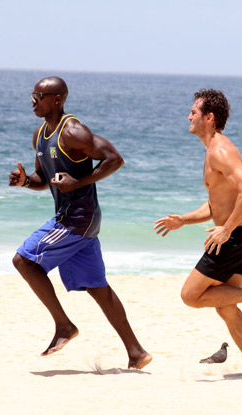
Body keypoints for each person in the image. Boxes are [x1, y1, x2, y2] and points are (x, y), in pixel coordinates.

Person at [9, 76, 151, 370]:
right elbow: (43, 180)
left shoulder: (72, 131)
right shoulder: (40, 135)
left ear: (57, 99)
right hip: (80, 221)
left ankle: (63, 326)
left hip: (77, 218)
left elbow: (114, 158)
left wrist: (80, 182)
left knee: (24, 260)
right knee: (97, 287)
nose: (33, 101)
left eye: (39, 96)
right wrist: (25, 182)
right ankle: (136, 352)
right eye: (32, 95)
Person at [154, 89, 242, 377]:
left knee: (191, 295)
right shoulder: (213, 151)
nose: (188, 116)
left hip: (235, 237)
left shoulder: (220, 151)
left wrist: (225, 230)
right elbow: (219, 204)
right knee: (226, 307)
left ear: (209, 118)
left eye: (194, 112)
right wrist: (184, 220)